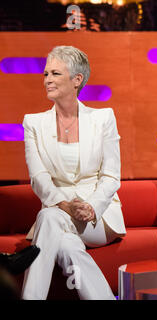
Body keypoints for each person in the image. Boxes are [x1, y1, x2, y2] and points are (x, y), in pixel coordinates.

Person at [21, 46, 126, 300]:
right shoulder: (33, 123)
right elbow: (38, 178)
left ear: (77, 80)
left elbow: (111, 176)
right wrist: (65, 205)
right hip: (59, 211)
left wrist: (90, 207)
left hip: (97, 218)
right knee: (66, 244)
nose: (47, 80)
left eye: (55, 73)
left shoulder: (103, 118)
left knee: (48, 218)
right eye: (46, 74)